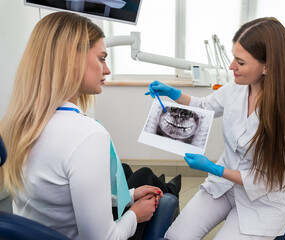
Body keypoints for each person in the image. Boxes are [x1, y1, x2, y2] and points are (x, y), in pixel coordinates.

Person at [0, 11, 180, 240]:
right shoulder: (88, 135)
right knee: (146, 177)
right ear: (71, 60)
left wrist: (131, 194)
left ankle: (164, 186)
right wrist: (135, 214)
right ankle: (171, 190)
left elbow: (59, 197)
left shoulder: (18, 123)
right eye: (101, 58)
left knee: (135, 176)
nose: (107, 70)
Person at [145, 17, 285, 239]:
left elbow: (271, 179)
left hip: (260, 201)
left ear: (267, 66)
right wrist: (173, 93)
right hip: (222, 186)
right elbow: (204, 106)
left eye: (240, 62)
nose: (231, 66)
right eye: (233, 57)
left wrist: (214, 168)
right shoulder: (236, 88)